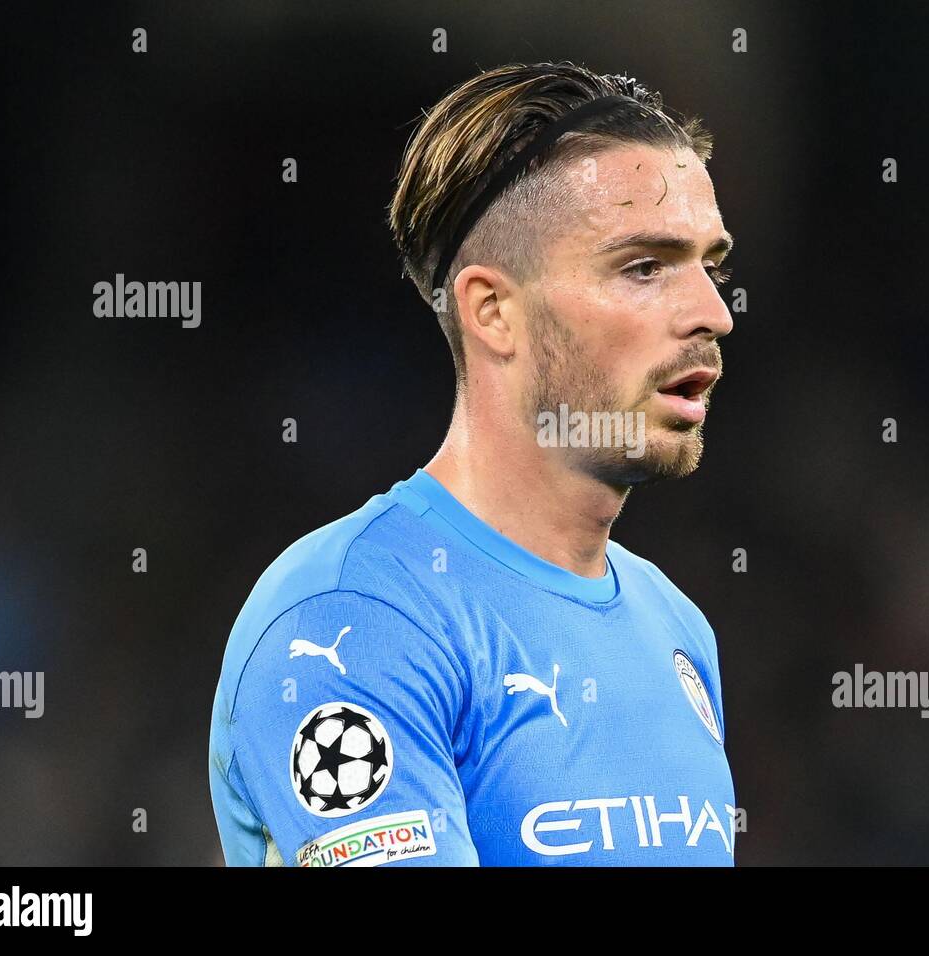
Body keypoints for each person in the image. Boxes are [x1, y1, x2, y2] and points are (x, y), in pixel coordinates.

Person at [209, 60, 738, 866]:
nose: (712, 312)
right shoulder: (353, 617)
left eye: (712, 264)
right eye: (644, 268)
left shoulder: (678, 628)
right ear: (493, 311)